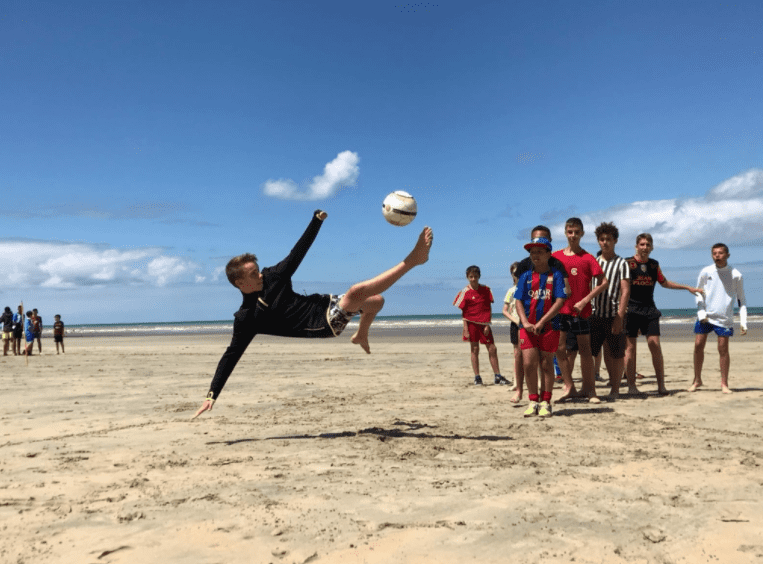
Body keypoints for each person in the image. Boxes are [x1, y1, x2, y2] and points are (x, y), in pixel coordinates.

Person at [193, 210, 433, 418]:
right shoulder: (247, 318)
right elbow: (231, 356)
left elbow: (297, 253)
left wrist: (316, 221)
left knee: (376, 301)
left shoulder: (273, 276)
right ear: (240, 283)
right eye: (253, 273)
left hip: (325, 302)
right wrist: (211, 395)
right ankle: (413, 260)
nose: (260, 275)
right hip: (324, 323)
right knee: (357, 292)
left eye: (258, 269)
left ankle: (361, 334)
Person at [624, 233, 703, 395]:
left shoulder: (654, 265)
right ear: (636, 246)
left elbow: (664, 282)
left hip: (649, 310)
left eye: (648, 245)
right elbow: (620, 287)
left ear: (652, 247)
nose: (645, 247)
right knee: (630, 348)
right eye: (642, 244)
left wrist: (687, 287)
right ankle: (631, 386)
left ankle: (661, 386)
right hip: (631, 310)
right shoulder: (627, 263)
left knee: (654, 345)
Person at [552, 218, 608, 403]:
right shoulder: (555, 257)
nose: (573, 235)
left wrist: (585, 300)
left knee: (585, 351)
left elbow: (603, 282)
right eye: (570, 232)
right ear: (565, 233)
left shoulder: (588, 257)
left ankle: (590, 390)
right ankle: (569, 387)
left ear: (582, 234)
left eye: (576, 232)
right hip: (560, 311)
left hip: (581, 312)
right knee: (560, 350)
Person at [514, 237, 567, 417]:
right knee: (529, 363)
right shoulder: (525, 276)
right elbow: (518, 300)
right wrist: (525, 322)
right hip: (527, 327)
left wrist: (542, 321)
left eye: (539, 252)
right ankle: (532, 400)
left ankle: (546, 401)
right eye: (532, 252)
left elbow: (559, 301)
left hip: (549, 326)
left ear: (548, 254)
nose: (535, 255)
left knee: (546, 363)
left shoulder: (556, 275)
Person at [688, 243, 747, 394]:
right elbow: (698, 292)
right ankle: (697, 380)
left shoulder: (736, 275)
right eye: (714, 253)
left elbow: (741, 299)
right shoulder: (706, 271)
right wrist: (701, 312)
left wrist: (743, 321)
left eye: (720, 253)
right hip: (706, 315)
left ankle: (724, 384)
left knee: (723, 349)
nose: (717, 256)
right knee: (698, 345)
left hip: (724, 317)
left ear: (727, 255)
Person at [588, 222, 635, 399]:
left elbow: (625, 291)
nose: (605, 242)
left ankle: (615, 389)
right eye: (602, 239)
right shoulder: (594, 261)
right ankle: (589, 388)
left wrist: (619, 316)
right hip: (594, 315)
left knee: (615, 354)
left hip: (613, 314)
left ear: (615, 241)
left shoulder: (621, 263)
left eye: (608, 239)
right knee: (591, 352)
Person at [454, 265, 507, 386]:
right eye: (471, 277)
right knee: (474, 349)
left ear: (479, 276)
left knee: (492, 349)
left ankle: (497, 376)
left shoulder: (486, 290)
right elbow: (464, 312)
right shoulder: (464, 292)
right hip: (471, 324)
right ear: (467, 277)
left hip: (484, 325)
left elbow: (488, 308)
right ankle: (477, 377)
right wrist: (465, 329)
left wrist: (487, 324)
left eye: (475, 276)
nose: (473, 279)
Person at [503, 262, 523, 401]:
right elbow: (504, 311)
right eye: (514, 273)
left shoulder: (528, 289)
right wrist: (515, 320)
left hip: (528, 324)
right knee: (517, 354)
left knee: (532, 354)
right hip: (516, 324)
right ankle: (516, 382)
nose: (517, 275)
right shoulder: (511, 291)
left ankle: (538, 381)